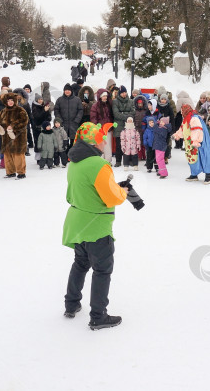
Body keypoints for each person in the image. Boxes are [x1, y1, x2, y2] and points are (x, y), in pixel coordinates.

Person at [62, 122, 128, 330]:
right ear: (93, 141)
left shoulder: (73, 163)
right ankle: (98, 316)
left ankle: (71, 305)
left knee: (80, 263)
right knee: (102, 270)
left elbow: (72, 194)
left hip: (76, 223)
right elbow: (112, 198)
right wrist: (122, 191)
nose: (104, 141)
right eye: (101, 138)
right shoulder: (99, 165)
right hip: (96, 226)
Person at [173, 99, 210, 184]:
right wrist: (177, 135)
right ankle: (194, 174)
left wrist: (196, 141)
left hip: (199, 142)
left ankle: (208, 176)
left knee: (204, 156)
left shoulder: (194, 118)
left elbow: (197, 130)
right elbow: (183, 129)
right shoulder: (186, 119)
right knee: (192, 158)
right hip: (190, 143)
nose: (182, 113)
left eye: (183, 111)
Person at [0, 92, 29, 179]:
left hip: (18, 137)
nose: (10, 102)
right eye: (8, 100)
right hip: (6, 137)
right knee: (7, 155)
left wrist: (13, 126)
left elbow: (24, 121)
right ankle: (10, 172)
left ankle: (21, 173)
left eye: (12, 100)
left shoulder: (20, 110)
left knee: (18, 155)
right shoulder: (3, 111)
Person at [54, 84, 84, 150]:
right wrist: (60, 120)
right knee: (64, 141)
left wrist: (77, 120)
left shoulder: (77, 99)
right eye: (66, 90)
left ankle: (73, 156)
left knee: (74, 141)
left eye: (69, 90)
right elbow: (56, 110)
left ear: (71, 91)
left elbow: (80, 110)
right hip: (63, 124)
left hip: (74, 123)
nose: (67, 91)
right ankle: (66, 155)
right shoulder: (59, 100)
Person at [111, 86, 133, 168]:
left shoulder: (131, 101)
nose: (124, 94)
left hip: (128, 125)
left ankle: (129, 160)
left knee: (129, 143)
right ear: (120, 94)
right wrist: (126, 115)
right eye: (122, 93)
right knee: (118, 144)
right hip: (119, 125)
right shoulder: (115, 102)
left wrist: (123, 113)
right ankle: (118, 161)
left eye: (125, 92)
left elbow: (133, 112)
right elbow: (116, 114)